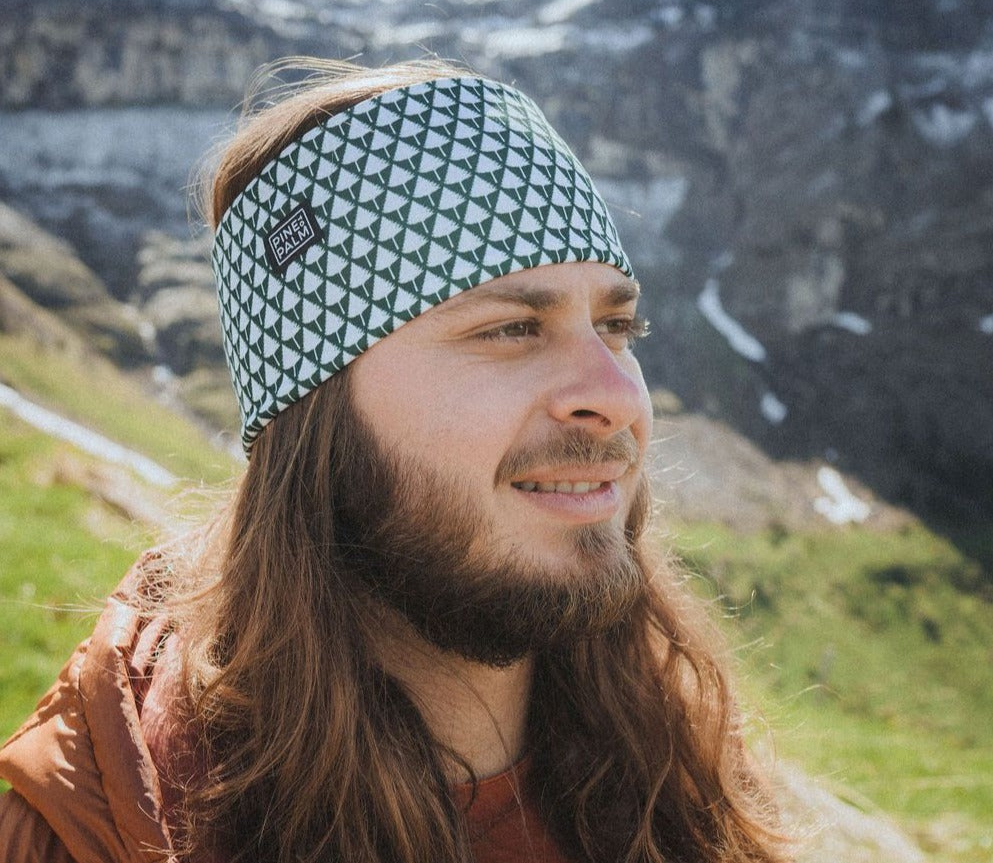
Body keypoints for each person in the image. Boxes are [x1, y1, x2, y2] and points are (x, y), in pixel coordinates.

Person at [0, 60, 788, 863]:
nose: (616, 396)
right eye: (511, 329)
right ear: (316, 411)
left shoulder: (685, 784)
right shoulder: (101, 830)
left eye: (617, 327)